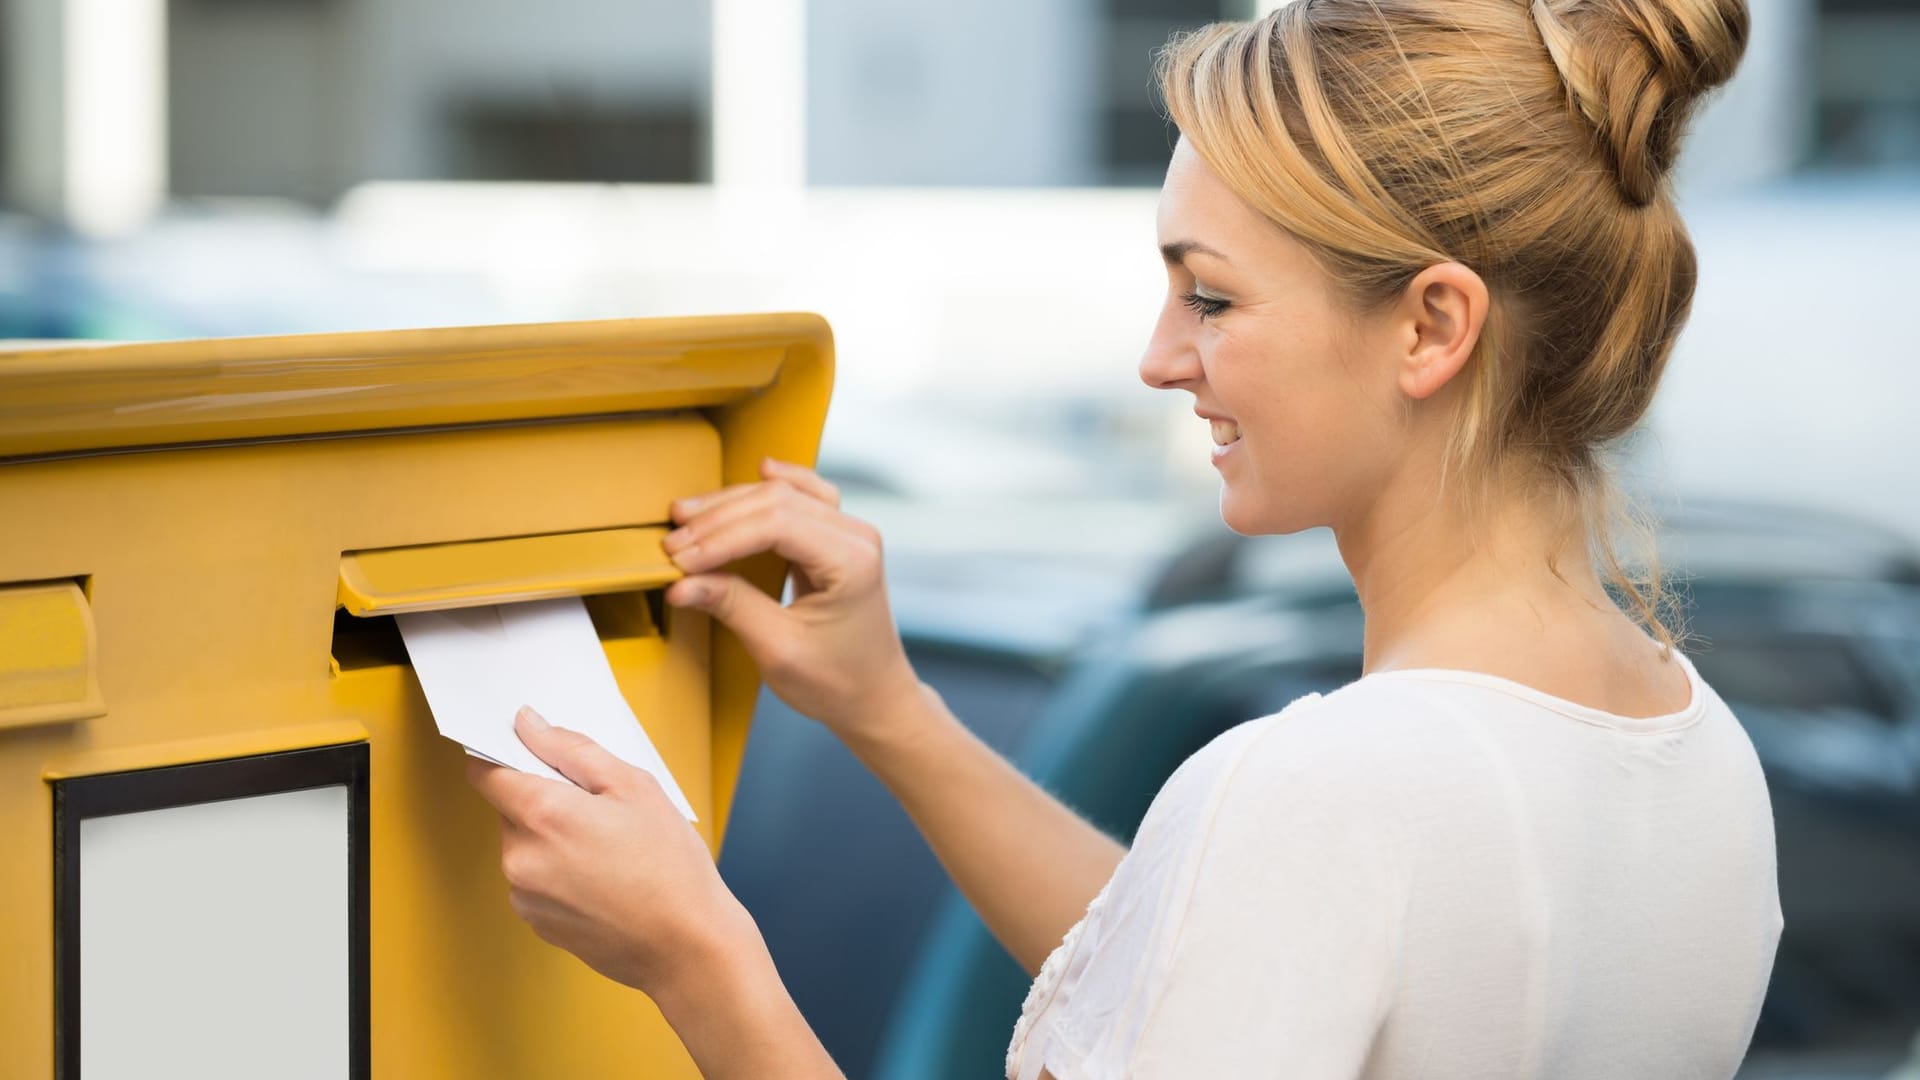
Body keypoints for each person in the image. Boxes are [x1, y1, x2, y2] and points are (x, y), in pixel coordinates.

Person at [464, 0, 1784, 1075]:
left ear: (1433, 326)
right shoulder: (1703, 760)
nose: (1160, 360)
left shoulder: (1320, 792)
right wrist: (891, 712)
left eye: (1211, 296)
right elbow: (1210, 970)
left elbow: (1274, 902)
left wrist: (698, 957)